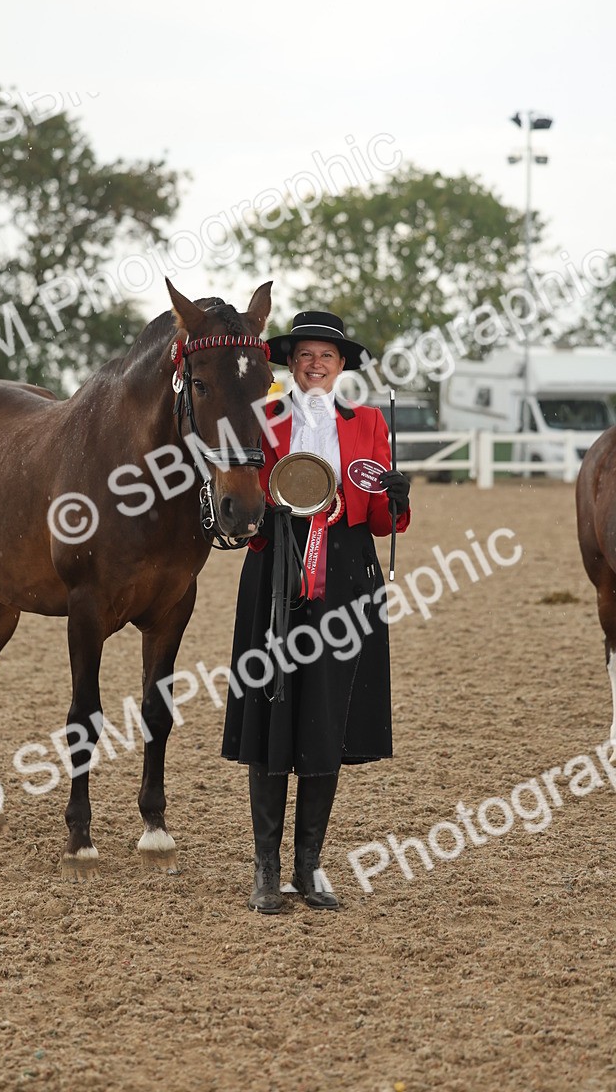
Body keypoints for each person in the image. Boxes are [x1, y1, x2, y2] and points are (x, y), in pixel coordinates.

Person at [221, 310, 411, 912]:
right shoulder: (264, 419)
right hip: (276, 568)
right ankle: (264, 867)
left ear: (342, 364)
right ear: (289, 362)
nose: (315, 363)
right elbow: (241, 509)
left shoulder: (371, 425)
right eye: (304, 354)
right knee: (270, 709)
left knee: (326, 714)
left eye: (326, 355)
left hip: (348, 577)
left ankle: (308, 866)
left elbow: (381, 523)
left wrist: (397, 501)